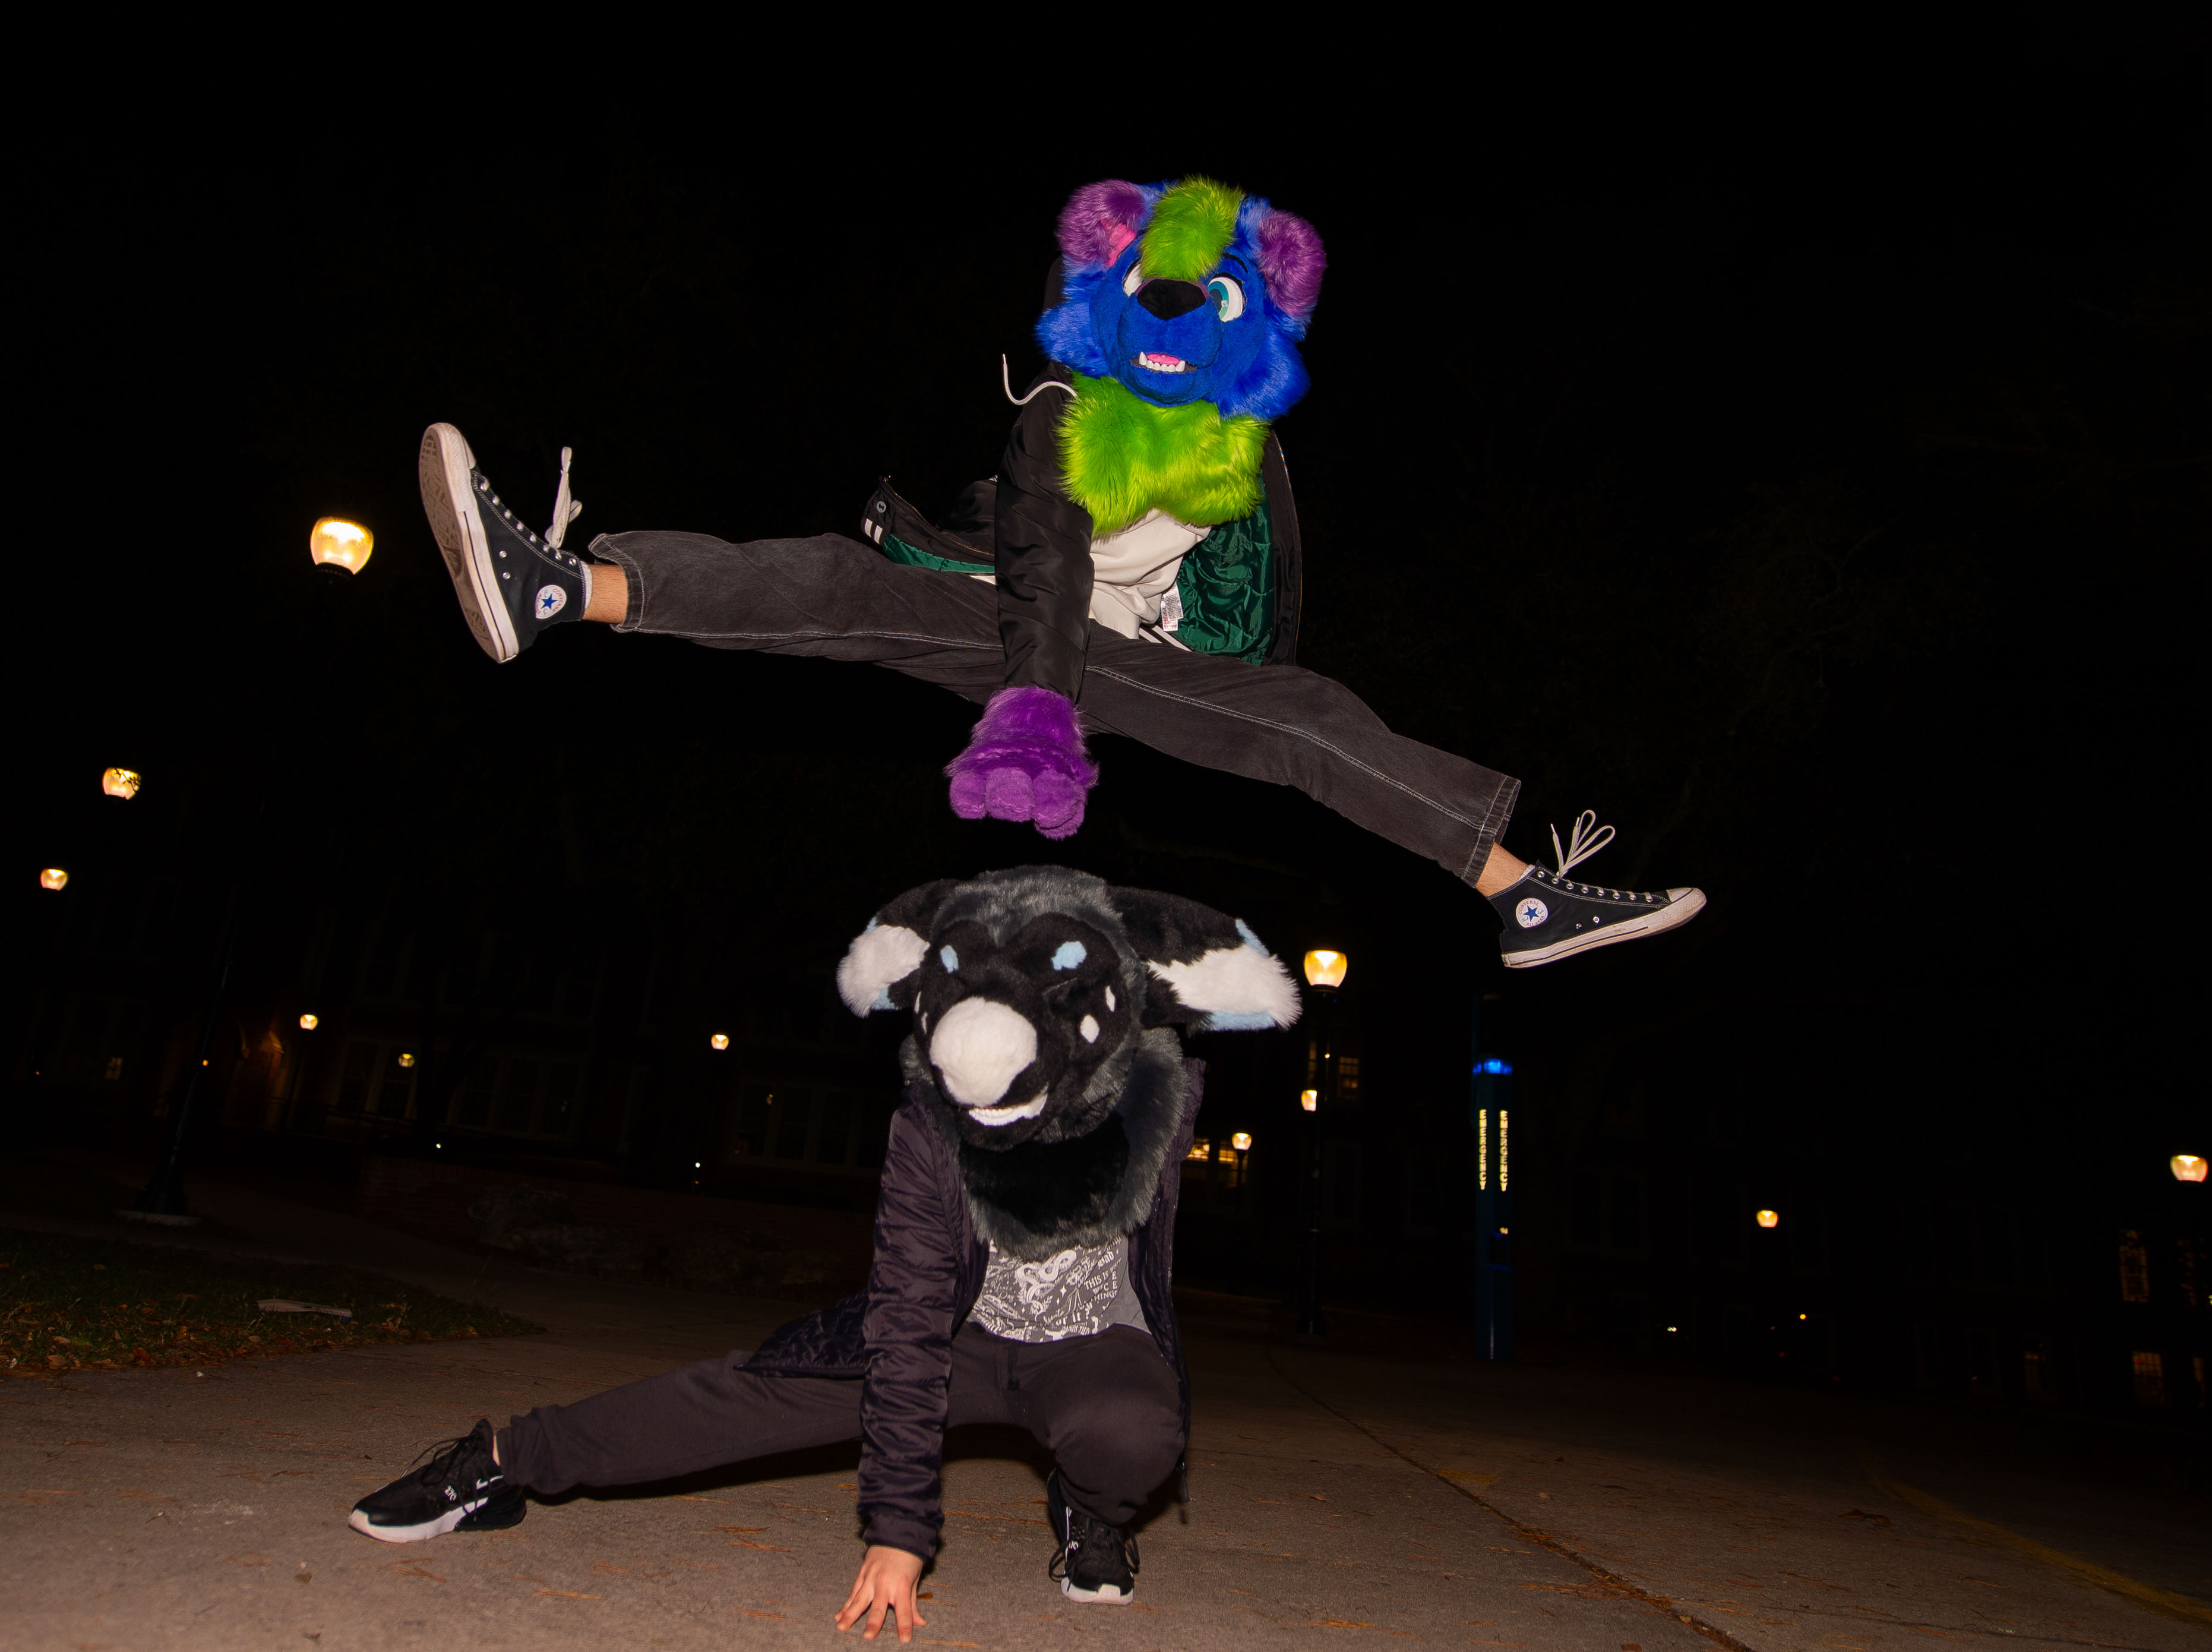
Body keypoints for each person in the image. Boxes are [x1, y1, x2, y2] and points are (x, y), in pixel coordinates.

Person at [417, 176, 1703, 969]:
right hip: (1017, 616)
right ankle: (562, 588)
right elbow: (1041, 565)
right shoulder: (1060, 410)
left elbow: (1264, 620)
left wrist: (1190, 672)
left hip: (1151, 664)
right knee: (841, 589)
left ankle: (1521, 898)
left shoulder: (1243, 452)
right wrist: (1031, 710)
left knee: (1305, 720)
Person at [349, 867, 1305, 1639]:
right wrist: (899, 1528)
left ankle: (1092, 1513)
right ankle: (505, 1458)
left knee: (1135, 1433)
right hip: (956, 1331)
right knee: (744, 1390)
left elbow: (1167, 995)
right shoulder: (930, 1123)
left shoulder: (1157, 1100)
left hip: (1096, 1346)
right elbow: (911, 1315)